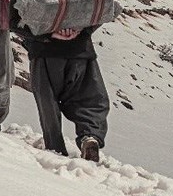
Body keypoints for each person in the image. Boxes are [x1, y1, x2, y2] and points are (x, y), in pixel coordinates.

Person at [11, 8, 109, 162]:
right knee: (90, 99)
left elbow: (12, 19)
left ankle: (55, 148)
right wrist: (80, 30)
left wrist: (48, 34)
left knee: (48, 103)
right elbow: (103, 8)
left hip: (45, 55)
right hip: (81, 52)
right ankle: (90, 136)